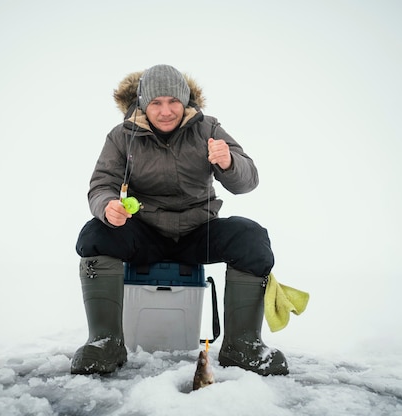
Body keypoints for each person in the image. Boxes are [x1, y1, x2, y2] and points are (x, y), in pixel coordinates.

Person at [72, 64, 288, 377]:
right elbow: (101, 184)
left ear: (185, 101)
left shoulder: (209, 128)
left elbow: (247, 180)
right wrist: (107, 207)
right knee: (94, 234)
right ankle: (105, 343)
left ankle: (243, 346)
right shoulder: (121, 136)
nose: (165, 111)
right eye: (156, 103)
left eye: (173, 101)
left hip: (198, 232)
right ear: (143, 103)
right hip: (145, 234)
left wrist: (229, 163)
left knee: (251, 238)